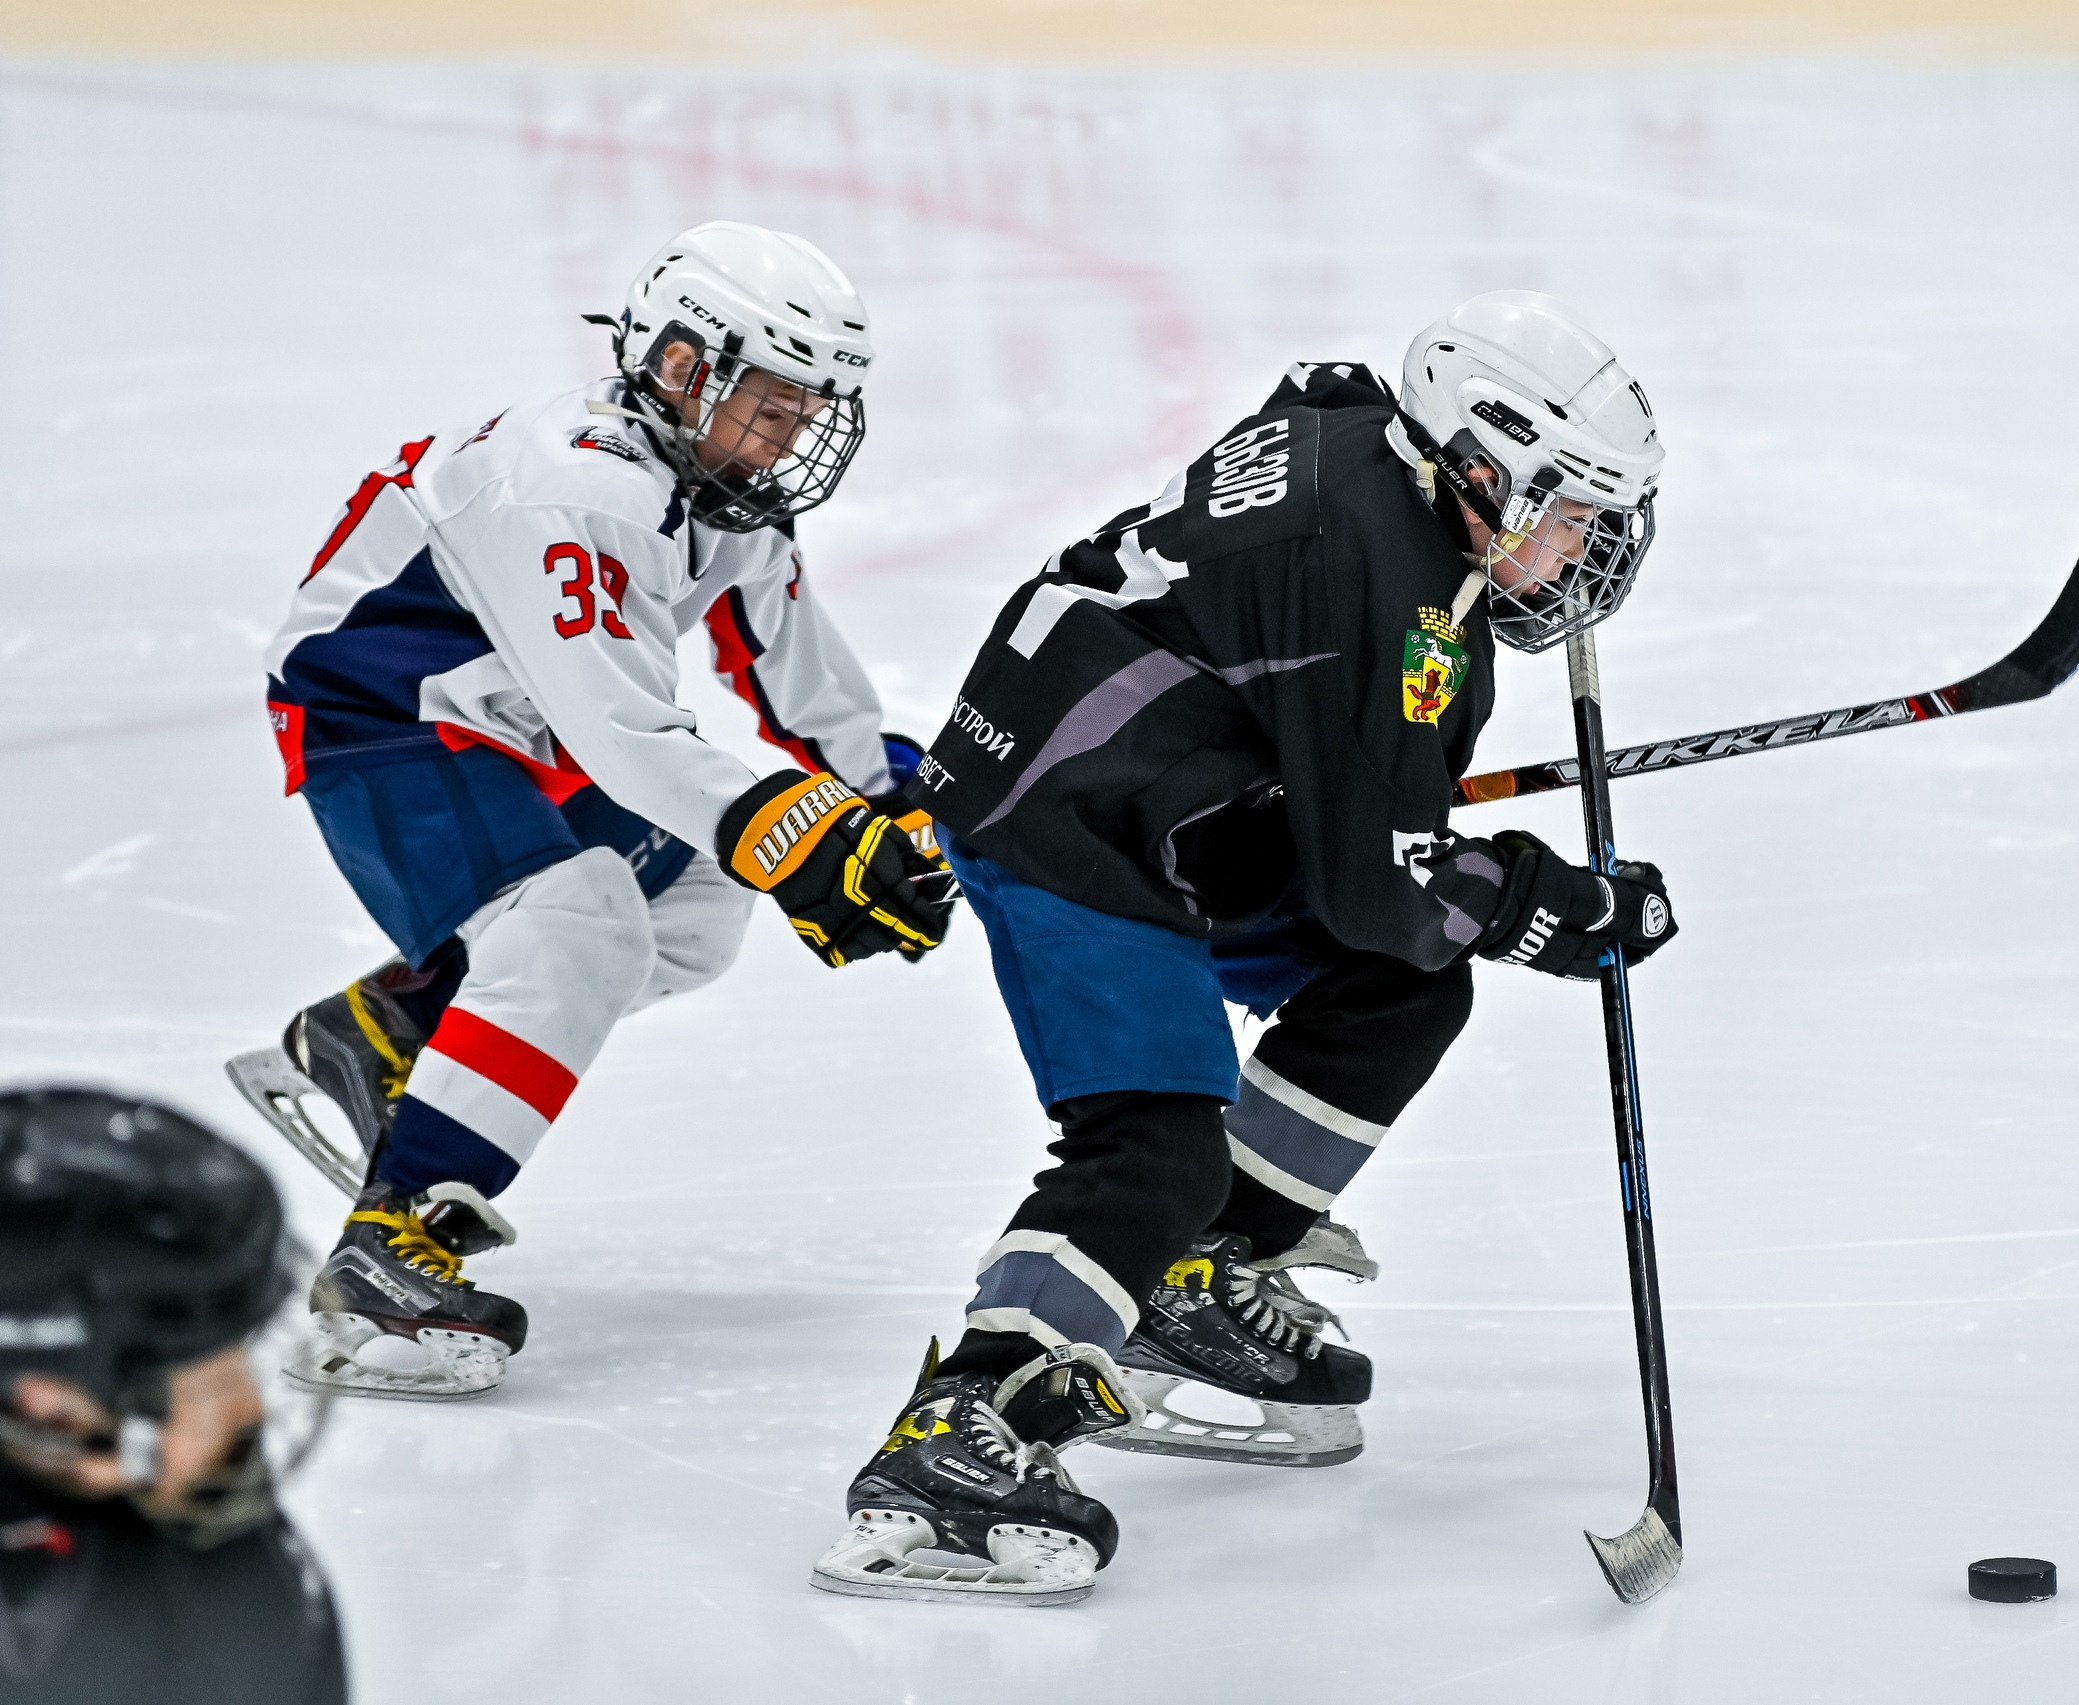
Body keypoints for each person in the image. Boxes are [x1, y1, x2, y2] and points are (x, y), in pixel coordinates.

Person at [808, 290, 1678, 1605]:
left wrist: (1394, 816)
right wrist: (1544, 903)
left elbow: (1305, 435)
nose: (1582, 552)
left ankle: (1195, 1276)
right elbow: (1383, 881)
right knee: (1153, 1136)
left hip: (1164, 786)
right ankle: (953, 1432)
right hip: (1068, 815)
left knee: (1401, 989)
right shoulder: (1388, 580)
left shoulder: (1379, 465)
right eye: (1567, 513)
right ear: (1486, 460)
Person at [232, 221, 953, 1402]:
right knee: (582, 926)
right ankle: (394, 1240)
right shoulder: (576, 484)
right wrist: (815, 840)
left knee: (707, 901)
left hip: (511, 719)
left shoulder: (724, 494)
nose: (793, 438)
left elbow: (791, 674)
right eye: (773, 405)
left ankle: (395, 1030)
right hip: (383, 715)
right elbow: (630, 741)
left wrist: (888, 800)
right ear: (682, 366)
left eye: (807, 411)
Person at [0, 1086, 346, 1703]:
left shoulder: (220, 1562)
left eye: (240, 1362)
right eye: (198, 1390)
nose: (251, 1412)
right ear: (44, 1406)